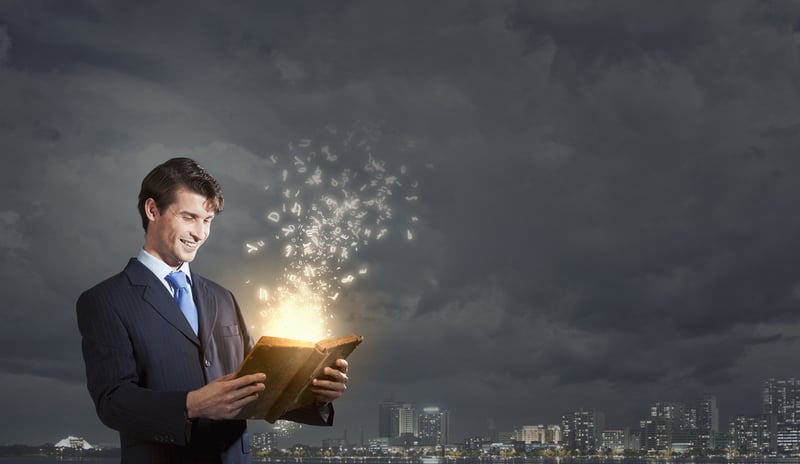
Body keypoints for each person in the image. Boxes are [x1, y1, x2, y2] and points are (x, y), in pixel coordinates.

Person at [76, 157, 350, 463]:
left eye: (207, 221)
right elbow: (112, 401)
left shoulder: (223, 298)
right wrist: (192, 404)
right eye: (189, 217)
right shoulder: (105, 300)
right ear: (153, 210)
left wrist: (315, 393)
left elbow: (256, 386)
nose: (200, 233)